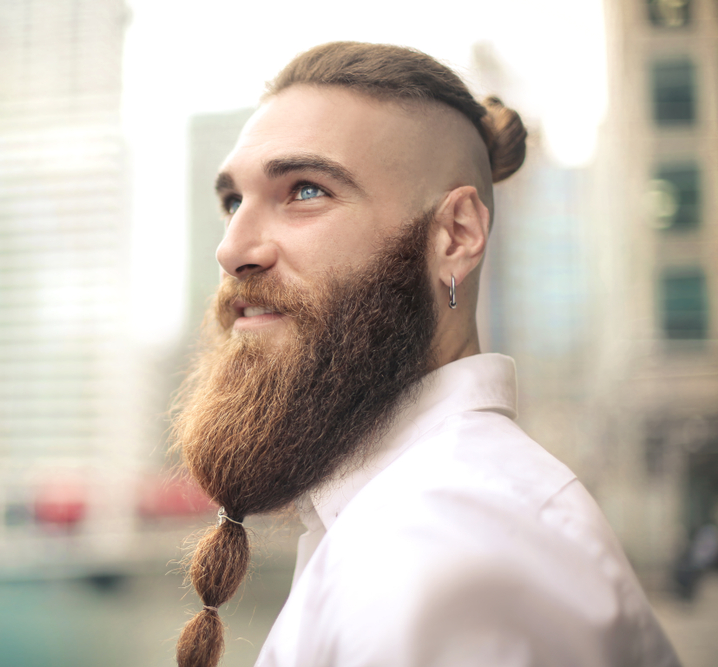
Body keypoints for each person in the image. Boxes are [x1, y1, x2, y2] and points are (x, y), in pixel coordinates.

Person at [170, 42, 679, 667]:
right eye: (231, 203)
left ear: (457, 236)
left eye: (305, 190)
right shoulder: (407, 521)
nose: (232, 249)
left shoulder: (444, 549)